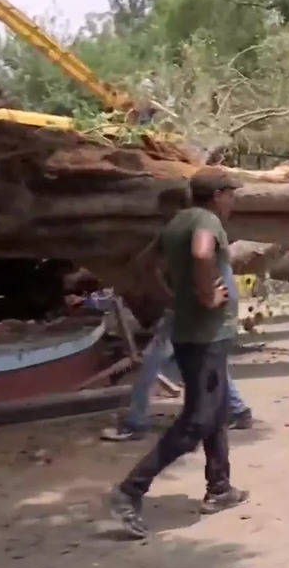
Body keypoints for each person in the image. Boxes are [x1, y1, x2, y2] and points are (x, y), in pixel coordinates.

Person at [108, 168, 249, 538]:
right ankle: (130, 490)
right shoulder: (206, 221)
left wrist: (171, 297)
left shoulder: (176, 223)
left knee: (216, 411)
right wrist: (206, 296)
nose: (234, 201)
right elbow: (202, 253)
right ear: (218, 194)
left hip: (190, 331)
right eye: (231, 194)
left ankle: (219, 488)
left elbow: (143, 264)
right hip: (206, 334)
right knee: (198, 419)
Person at [100, 188, 254, 442]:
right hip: (215, 306)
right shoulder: (201, 224)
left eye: (161, 210)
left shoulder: (181, 228)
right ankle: (238, 411)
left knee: (153, 361)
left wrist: (169, 296)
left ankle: (136, 422)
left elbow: (145, 264)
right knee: (210, 359)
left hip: (193, 308)